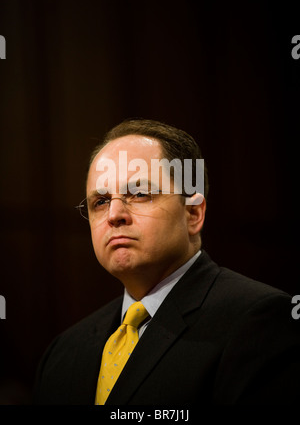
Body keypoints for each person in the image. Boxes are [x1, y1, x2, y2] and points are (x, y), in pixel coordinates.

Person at [34, 118, 300, 405]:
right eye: (100, 202)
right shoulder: (63, 352)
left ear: (193, 213)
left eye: (138, 194)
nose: (114, 215)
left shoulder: (260, 322)